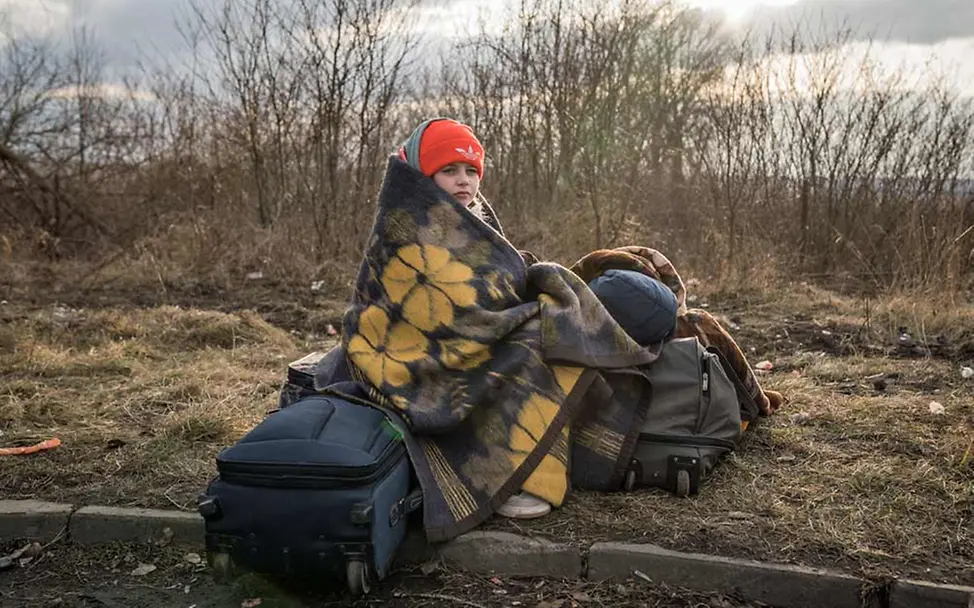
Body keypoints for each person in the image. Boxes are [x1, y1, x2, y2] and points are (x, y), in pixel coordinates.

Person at [396, 117, 554, 519]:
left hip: (473, 331)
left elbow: (497, 280)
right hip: (421, 351)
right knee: (523, 348)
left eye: (471, 171)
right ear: (423, 175)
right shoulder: (406, 225)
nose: (463, 180)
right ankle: (494, 478)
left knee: (554, 330)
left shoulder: (477, 223)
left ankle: (536, 462)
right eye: (448, 171)